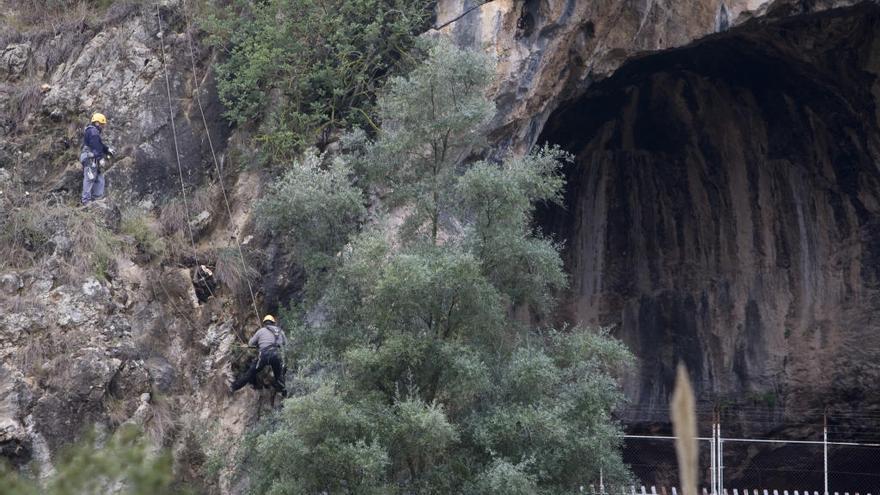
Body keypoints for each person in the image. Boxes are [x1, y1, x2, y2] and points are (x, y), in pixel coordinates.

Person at [231, 315, 288, 396]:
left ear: (264, 323)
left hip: (264, 356)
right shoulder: (280, 331)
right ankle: (284, 393)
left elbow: (250, 343)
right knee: (278, 376)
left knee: (250, 373)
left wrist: (260, 344)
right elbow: (285, 343)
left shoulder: (261, 331)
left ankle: (234, 387)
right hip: (276, 355)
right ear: (274, 323)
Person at [79, 112, 115, 205]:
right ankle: (86, 201)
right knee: (90, 178)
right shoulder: (93, 131)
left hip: (93, 158)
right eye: (102, 125)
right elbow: (95, 146)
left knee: (99, 177)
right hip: (91, 158)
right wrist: (100, 159)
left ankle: (96, 200)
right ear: (97, 123)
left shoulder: (93, 132)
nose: (103, 127)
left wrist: (107, 150)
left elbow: (99, 145)